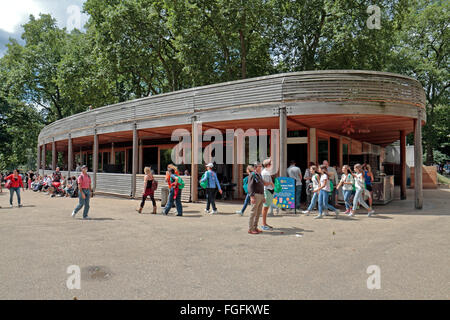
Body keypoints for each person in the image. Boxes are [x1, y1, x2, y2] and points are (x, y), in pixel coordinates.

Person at [247, 161, 265, 234]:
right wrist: (251, 196)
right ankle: (250, 229)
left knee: (258, 213)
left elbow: (262, 186)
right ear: (255, 167)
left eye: (261, 166)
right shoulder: (252, 174)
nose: (261, 168)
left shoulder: (259, 175)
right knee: (253, 212)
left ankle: (255, 227)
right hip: (255, 195)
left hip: (260, 195)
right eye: (259, 166)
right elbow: (250, 186)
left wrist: (263, 196)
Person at [261, 158, 275, 230]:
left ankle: (264, 223)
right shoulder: (266, 172)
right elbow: (266, 183)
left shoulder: (266, 172)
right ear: (268, 165)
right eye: (271, 164)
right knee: (265, 207)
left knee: (266, 207)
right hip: (268, 190)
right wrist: (272, 184)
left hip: (268, 190)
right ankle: (263, 224)